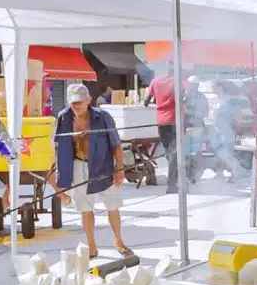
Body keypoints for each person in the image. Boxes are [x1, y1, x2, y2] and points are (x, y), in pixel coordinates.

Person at [50, 84, 131, 258]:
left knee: (113, 205)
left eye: (79, 102)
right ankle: (92, 246)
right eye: (72, 103)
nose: (75, 107)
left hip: (103, 165)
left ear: (88, 99)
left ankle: (118, 240)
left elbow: (116, 144)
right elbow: (59, 146)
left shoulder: (102, 117)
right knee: (85, 209)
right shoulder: (64, 117)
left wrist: (120, 169)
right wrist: (59, 168)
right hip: (79, 164)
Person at [145, 63, 186, 194]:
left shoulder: (155, 81)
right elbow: (182, 99)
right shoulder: (177, 82)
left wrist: (157, 100)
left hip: (161, 121)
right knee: (174, 152)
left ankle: (175, 178)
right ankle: (172, 184)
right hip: (175, 120)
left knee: (169, 152)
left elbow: (146, 102)